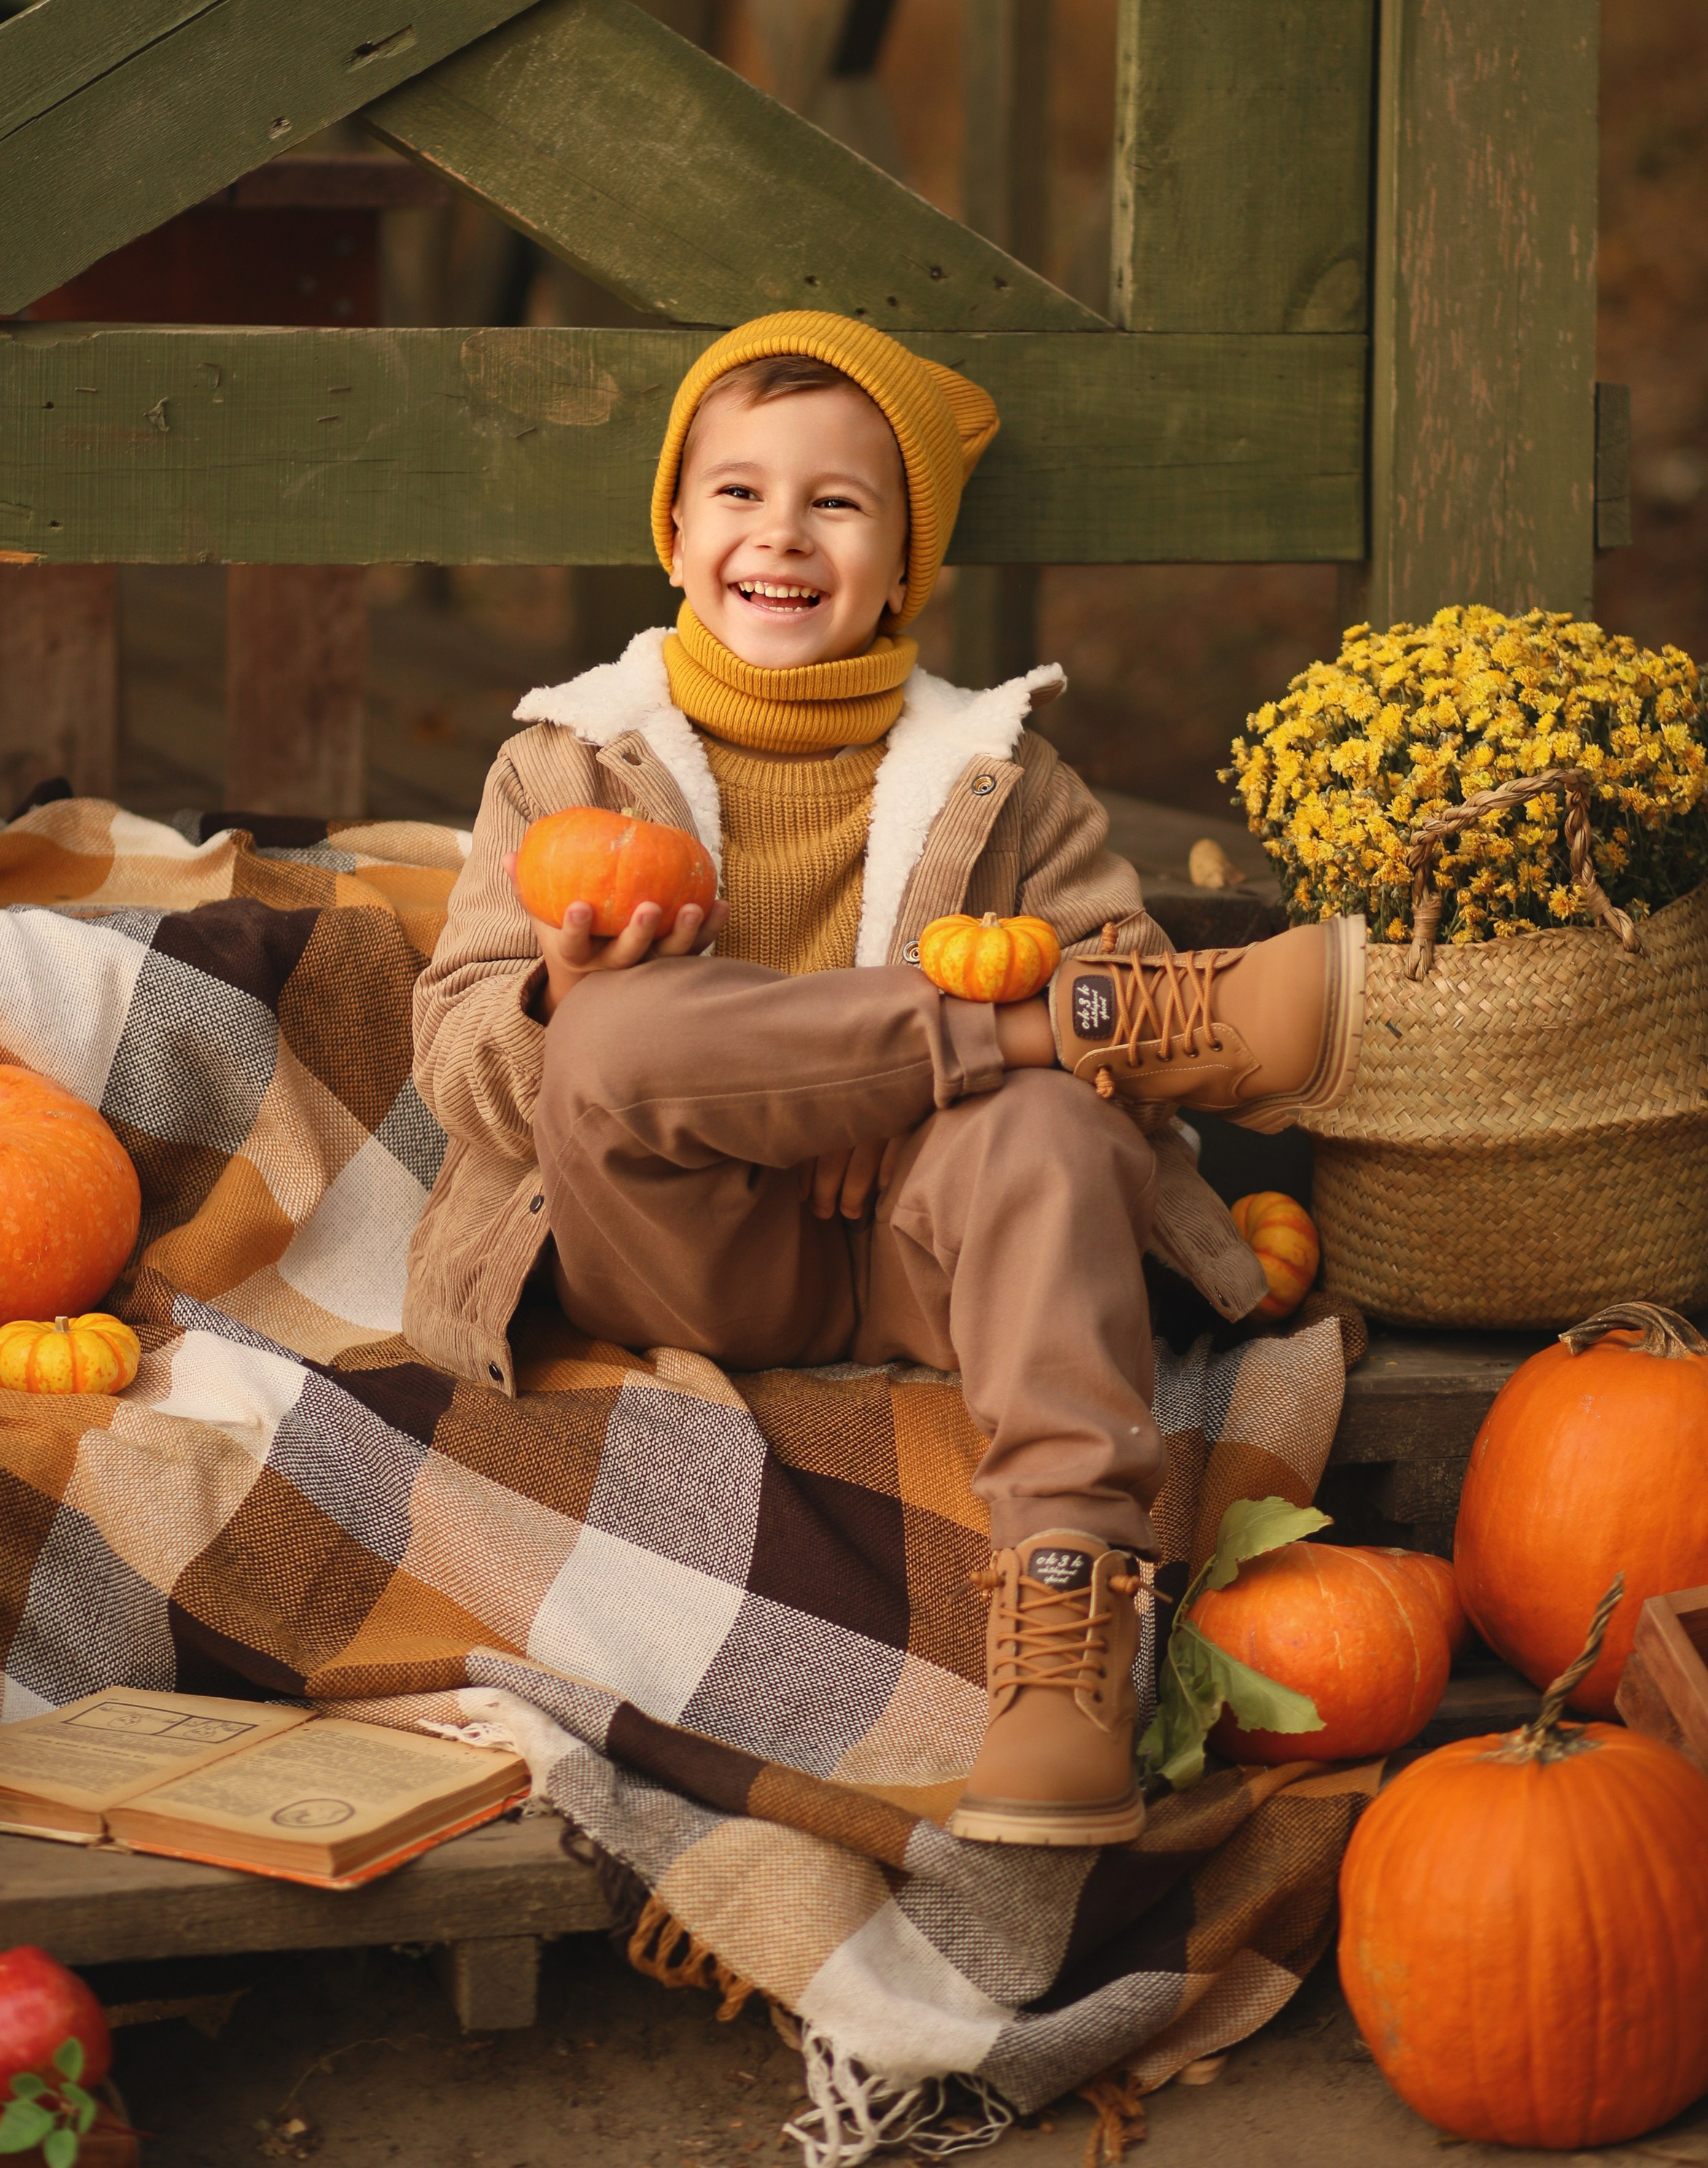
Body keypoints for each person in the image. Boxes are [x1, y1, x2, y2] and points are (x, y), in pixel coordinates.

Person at [405, 311, 1364, 1846]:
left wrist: (914, 1105)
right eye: (736, 493)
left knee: (1058, 1118)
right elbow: (456, 1053)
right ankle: (1027, 1030)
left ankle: (1061, 1644)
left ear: (903, 560)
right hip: (681, 1250)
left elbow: (1133, 1071)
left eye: (835, 503)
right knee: (608, 1031)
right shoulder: (567, 760)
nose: (778, 534)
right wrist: (560, 996)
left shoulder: (1004, 773)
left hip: (926, 1245)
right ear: (670, 528)